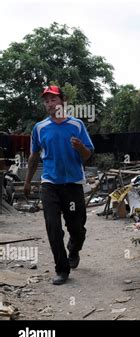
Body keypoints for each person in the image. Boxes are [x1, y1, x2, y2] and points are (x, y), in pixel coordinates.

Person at [24, 85, 94, 285]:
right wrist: (28, 181)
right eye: (46, 101)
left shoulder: (77, 125)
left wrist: (81, 147)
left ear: (62, 101)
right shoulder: (40, 128)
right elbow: (34, 155)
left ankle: (74, 248)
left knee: (77, 228)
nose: (49, 104)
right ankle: (62, 269)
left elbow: (88, 155)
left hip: (72, 183)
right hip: (50, 184)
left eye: (53, 99)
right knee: (53, 227)